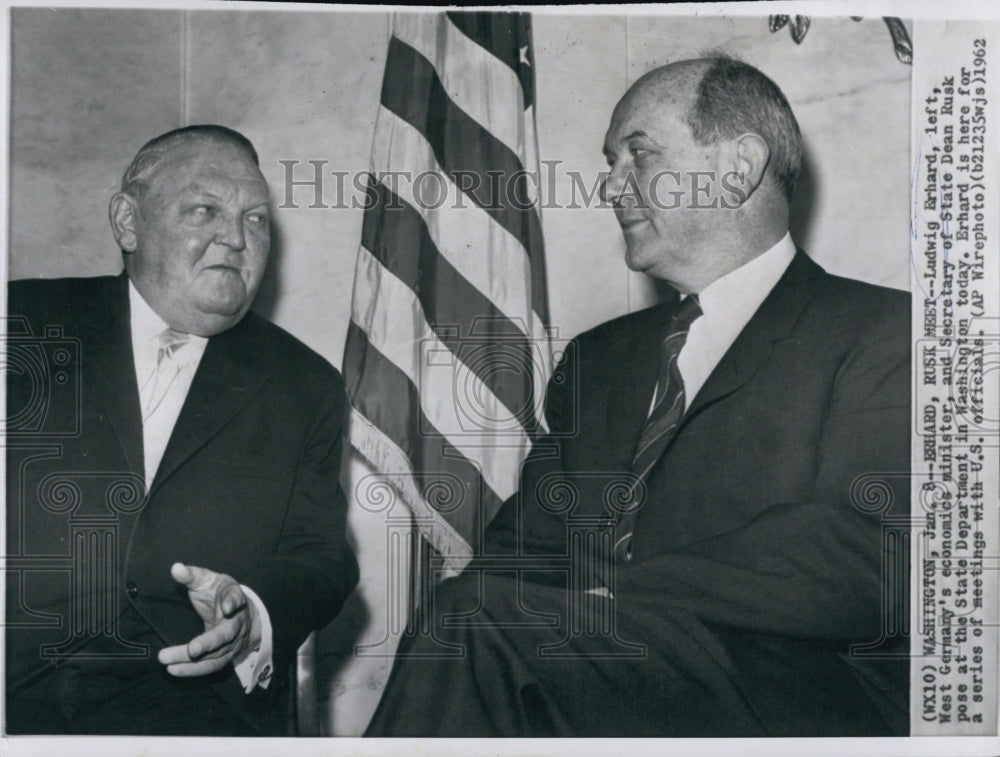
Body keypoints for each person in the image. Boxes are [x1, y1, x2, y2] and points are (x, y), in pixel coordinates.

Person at [365, 55, 910, 737]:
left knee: (477, 623)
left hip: (796, 694)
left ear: (738, 167)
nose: (610, 185)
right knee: (462, 604)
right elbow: (527, 549)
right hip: (602, 679)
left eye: (638, 154)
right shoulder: (600, 358)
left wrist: (614, 600)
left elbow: (870, 553)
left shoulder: (888, 332)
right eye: (609, 160)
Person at [5, 125, 358, 735]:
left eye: (255, 219)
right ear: (127, 222)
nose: (235, 237)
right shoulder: (23, 325)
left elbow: (321, 556)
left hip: (192, 697)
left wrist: (252, 611)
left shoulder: (306, 384)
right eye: (204, 209)